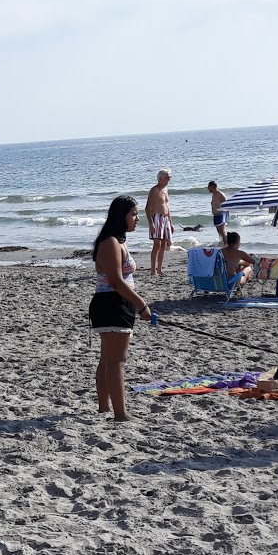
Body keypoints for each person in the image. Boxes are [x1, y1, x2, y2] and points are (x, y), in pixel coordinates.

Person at [90, 195, 153, 421]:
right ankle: (120, 413)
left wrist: (135, 303)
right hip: (111, 303)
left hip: (116, 303)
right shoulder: (110, 243)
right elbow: (116, 281)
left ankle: (105, 408)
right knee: (116, 361)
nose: (137, 219)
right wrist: (142, 304)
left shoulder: (118, 240)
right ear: (121, 216)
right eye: (134, 214)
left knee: (109, 359)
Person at [145, 169, 172, 277]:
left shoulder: (165, 190)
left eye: (170, 177)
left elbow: (167, 207)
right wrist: (151, 223)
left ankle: (159, 269)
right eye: (167, 177)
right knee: (157, 244)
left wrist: (171, 222)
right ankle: (153, 270)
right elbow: (147, 208)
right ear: (161, 178)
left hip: (165, 218)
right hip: (156, 217)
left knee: (163, 244)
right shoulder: (154, 190)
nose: (169, 179)